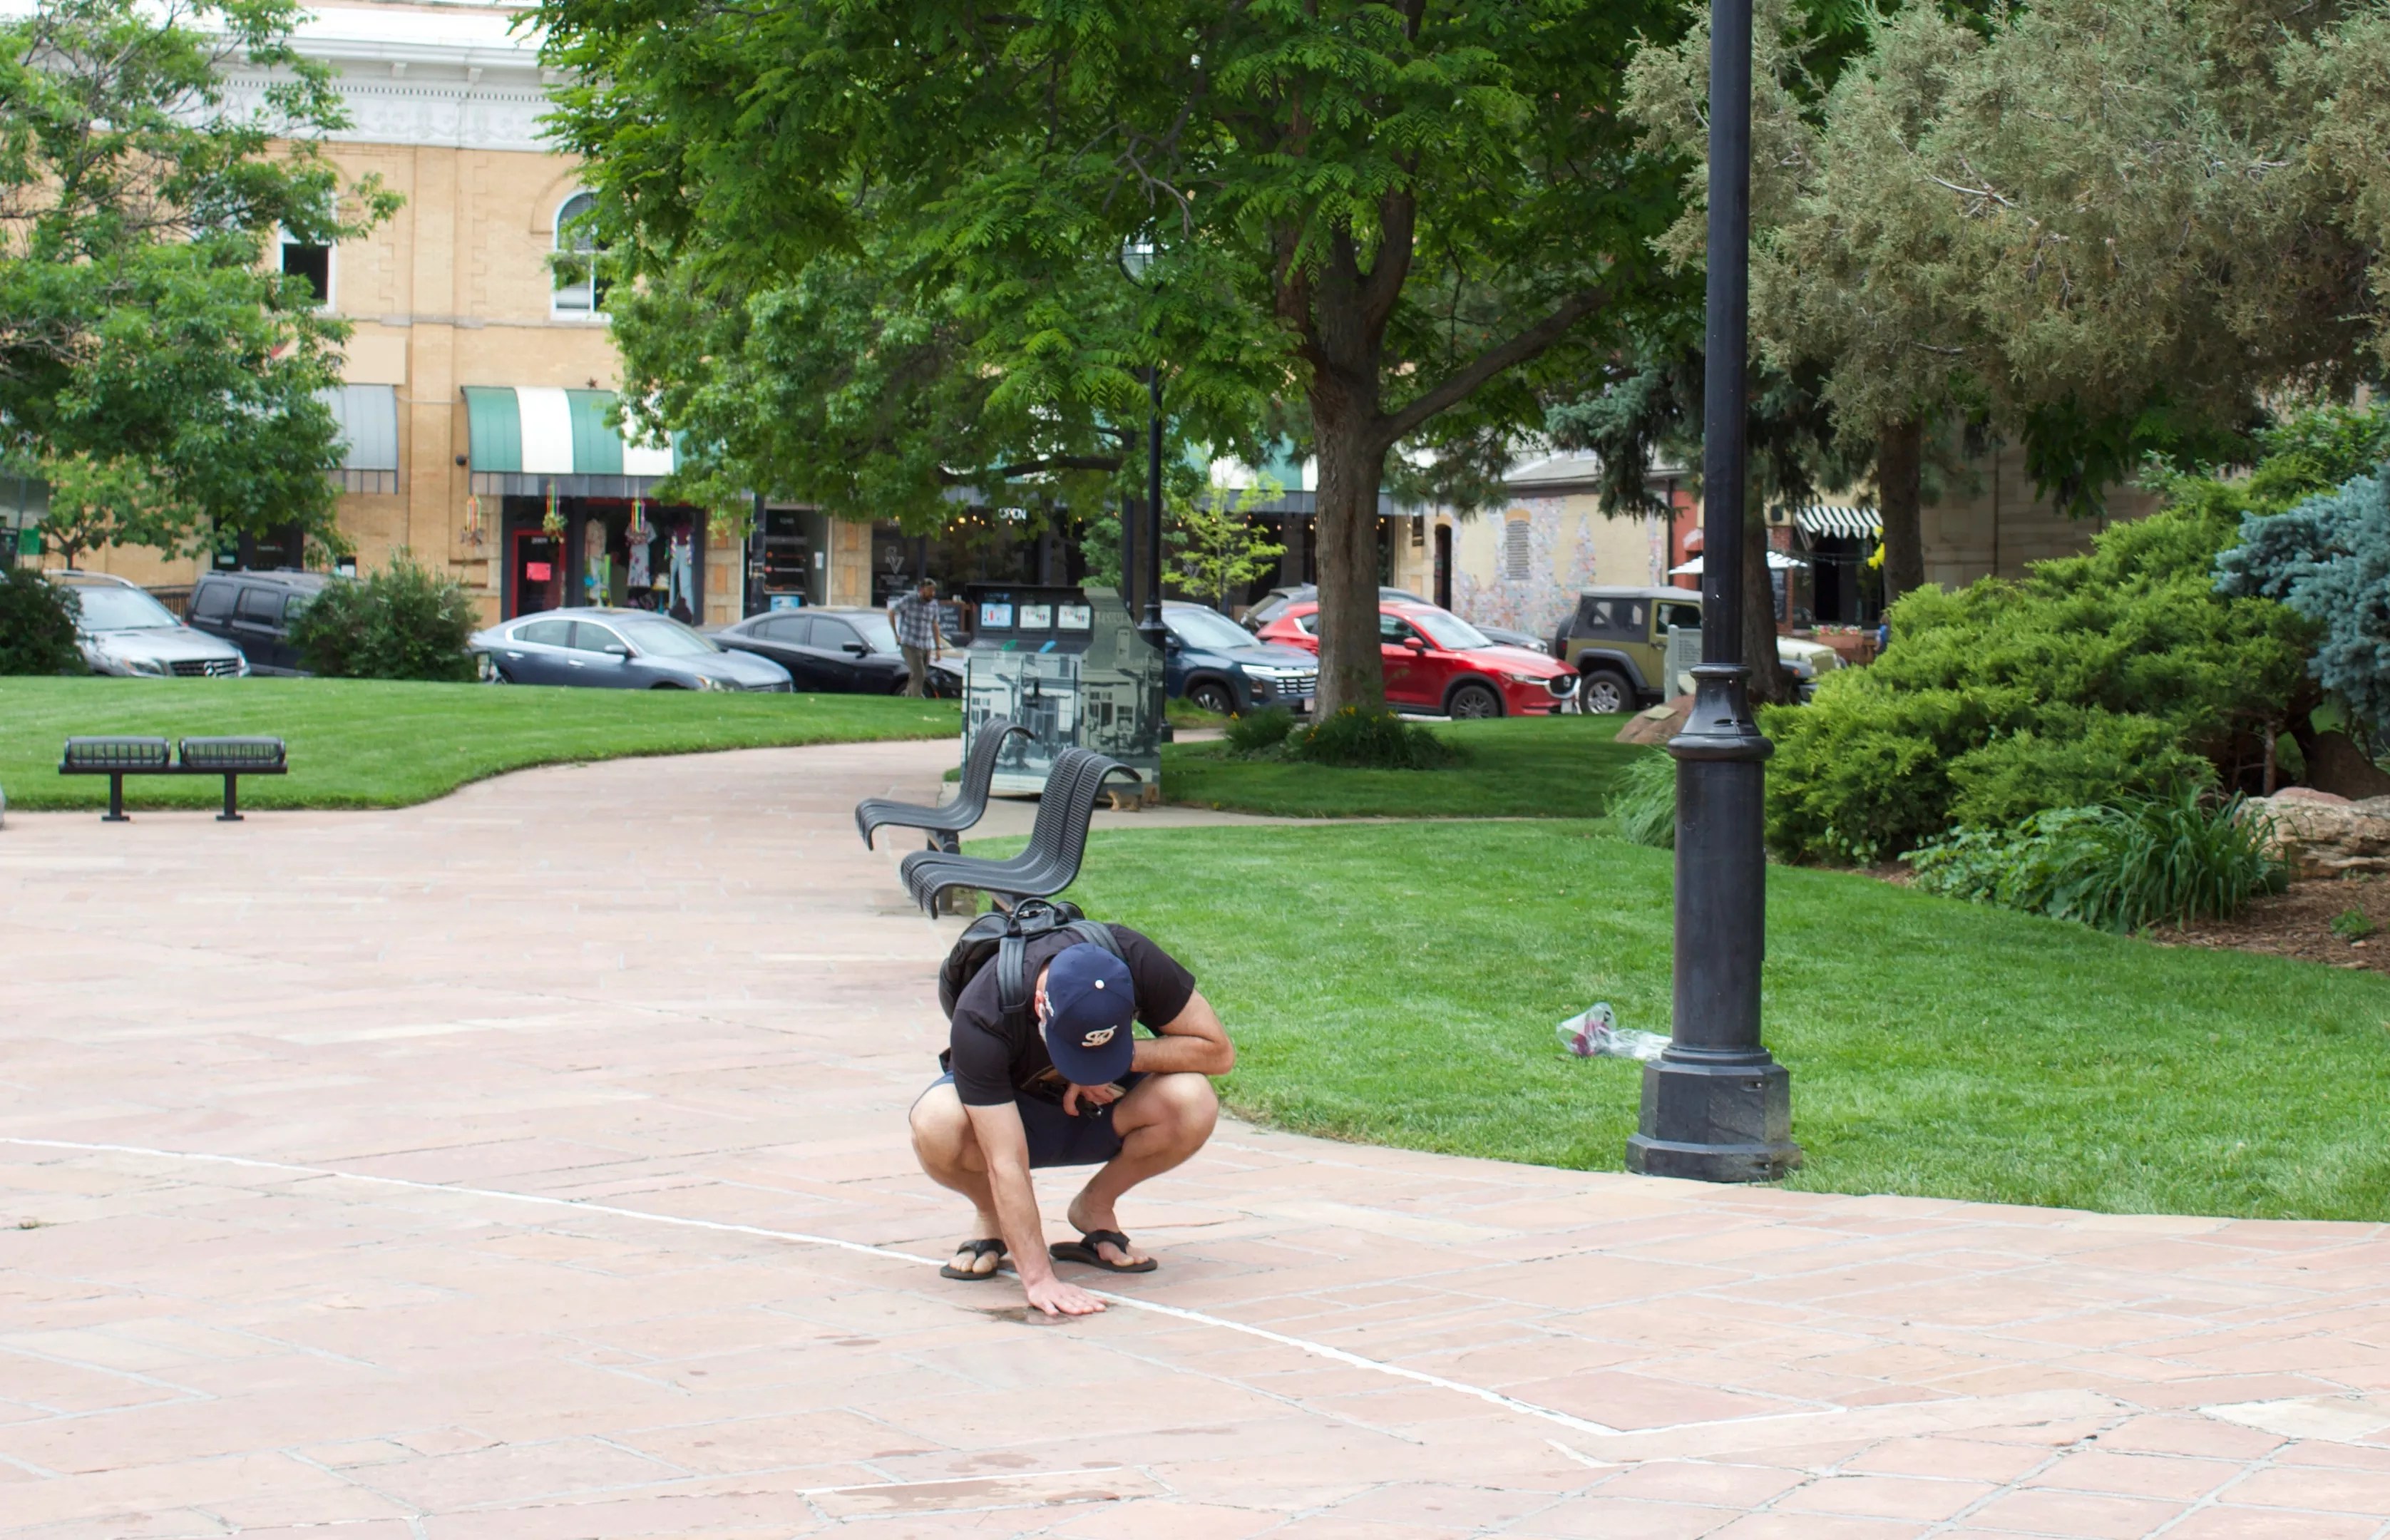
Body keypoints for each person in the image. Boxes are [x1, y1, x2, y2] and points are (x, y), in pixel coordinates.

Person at [908, 927, 1234, 1318]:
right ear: (1042, 1004)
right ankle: (992, 1216)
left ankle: (1095, 1207)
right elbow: (1005, 1161)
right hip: (1013, 1114)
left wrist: (1112, 1060)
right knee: (937, 1119)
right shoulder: (984, 1010)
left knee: (1191, 1099)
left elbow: (1218, 1053)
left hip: (1099, 1108)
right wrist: (1039, 1279)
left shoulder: (1133, 959)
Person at [888, 577, 946, 697]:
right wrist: (896, 635)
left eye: (934, 591)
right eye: (930, 591)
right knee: (919, 673)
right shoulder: (909, 600)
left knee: (917, 675)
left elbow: (935, 625)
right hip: (910, 643)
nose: (932, 594)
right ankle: (916, 699)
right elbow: (891, 612)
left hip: (926, 645)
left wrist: (938, 648)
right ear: (922, 590)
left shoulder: (934, 605)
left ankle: (908, 699)